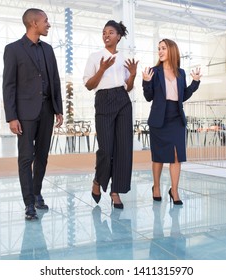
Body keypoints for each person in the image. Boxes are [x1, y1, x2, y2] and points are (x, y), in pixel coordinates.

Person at [3, 8, 63, 220]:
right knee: (25, 158)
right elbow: (8, 85)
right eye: (46, 21)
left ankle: (36, 192)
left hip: (47, 111)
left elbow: (54, 79)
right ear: (34, 23)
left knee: (42, 157)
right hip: (25, 114)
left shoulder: (48, 49)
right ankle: (29, 203)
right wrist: (11, 116)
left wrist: (58, 109)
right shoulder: (13, 49)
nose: (48, 24)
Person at [83, 20, 138, 209]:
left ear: (119, 36)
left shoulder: (124, 58)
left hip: (122, 100)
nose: (106, 35)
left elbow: (128, 88)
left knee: (123, 148)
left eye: (111, 32)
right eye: (104, 32)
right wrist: (102, 70)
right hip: (104, 100)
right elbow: (89, 85)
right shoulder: (95, 56)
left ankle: (115, 191)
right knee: (106, 149)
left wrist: (132, 75)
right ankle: (98, 180)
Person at [142, 38, 202, 205]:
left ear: (172, 51)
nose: (160, 51)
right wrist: (146, 82)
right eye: (158, 48)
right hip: (159, 119)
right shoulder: (154, 72)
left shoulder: (180, 73)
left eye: (163, 48)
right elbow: (148, 97)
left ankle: (174, 191)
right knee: (159, 157)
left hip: (176, 118)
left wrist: (195, 82)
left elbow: (184, 96)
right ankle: (156, 187)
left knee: (176, 156)